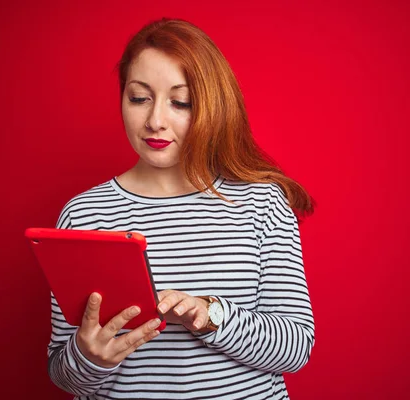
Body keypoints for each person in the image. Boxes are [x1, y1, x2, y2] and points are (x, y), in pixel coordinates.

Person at [47, 18, 315, 400]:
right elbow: (62, 370)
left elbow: (295, 346)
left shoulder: (262, 202)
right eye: (139, 98)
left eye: (181, 102)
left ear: (211, 106)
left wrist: (210, 316)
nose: (155, 121)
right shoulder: (85, 214)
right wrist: (90, 358)